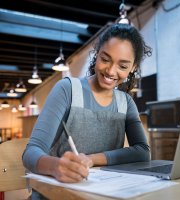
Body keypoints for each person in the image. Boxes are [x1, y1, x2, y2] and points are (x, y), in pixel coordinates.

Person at [22, 23, 152, 199]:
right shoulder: (67, 89)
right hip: (55, 194)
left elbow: (143, 152)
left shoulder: (126, 103)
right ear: (97, 53)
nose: (111, 71)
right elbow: (31, 152)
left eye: (122, 66)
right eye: (105, 59)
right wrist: (55, 166)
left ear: (133, 67)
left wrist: (90, 159)